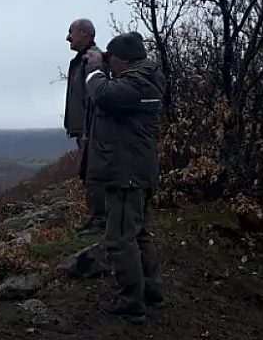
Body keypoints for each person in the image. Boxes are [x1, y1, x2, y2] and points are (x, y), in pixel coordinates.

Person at [81, 31, 166, 324]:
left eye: (111, 58)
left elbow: (104, 96)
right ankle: (151, 293)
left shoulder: (138, 83)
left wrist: (93, 69)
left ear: (125, 59)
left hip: (128, 174)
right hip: (137, 171)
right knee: (138, 234)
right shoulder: (145, 78)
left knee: (119, 238)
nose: (109, 63)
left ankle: (131, 302)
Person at [63, 18, 108, 235]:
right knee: (87, 174)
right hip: (84, 129)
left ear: (83, 33)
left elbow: (96, 94)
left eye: (71, 32)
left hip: (92, 129)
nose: (67, 37)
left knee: (94, 174)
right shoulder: (81, 60)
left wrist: (90, 128)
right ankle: (95, 218)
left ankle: (101, 220)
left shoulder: (93, 58)